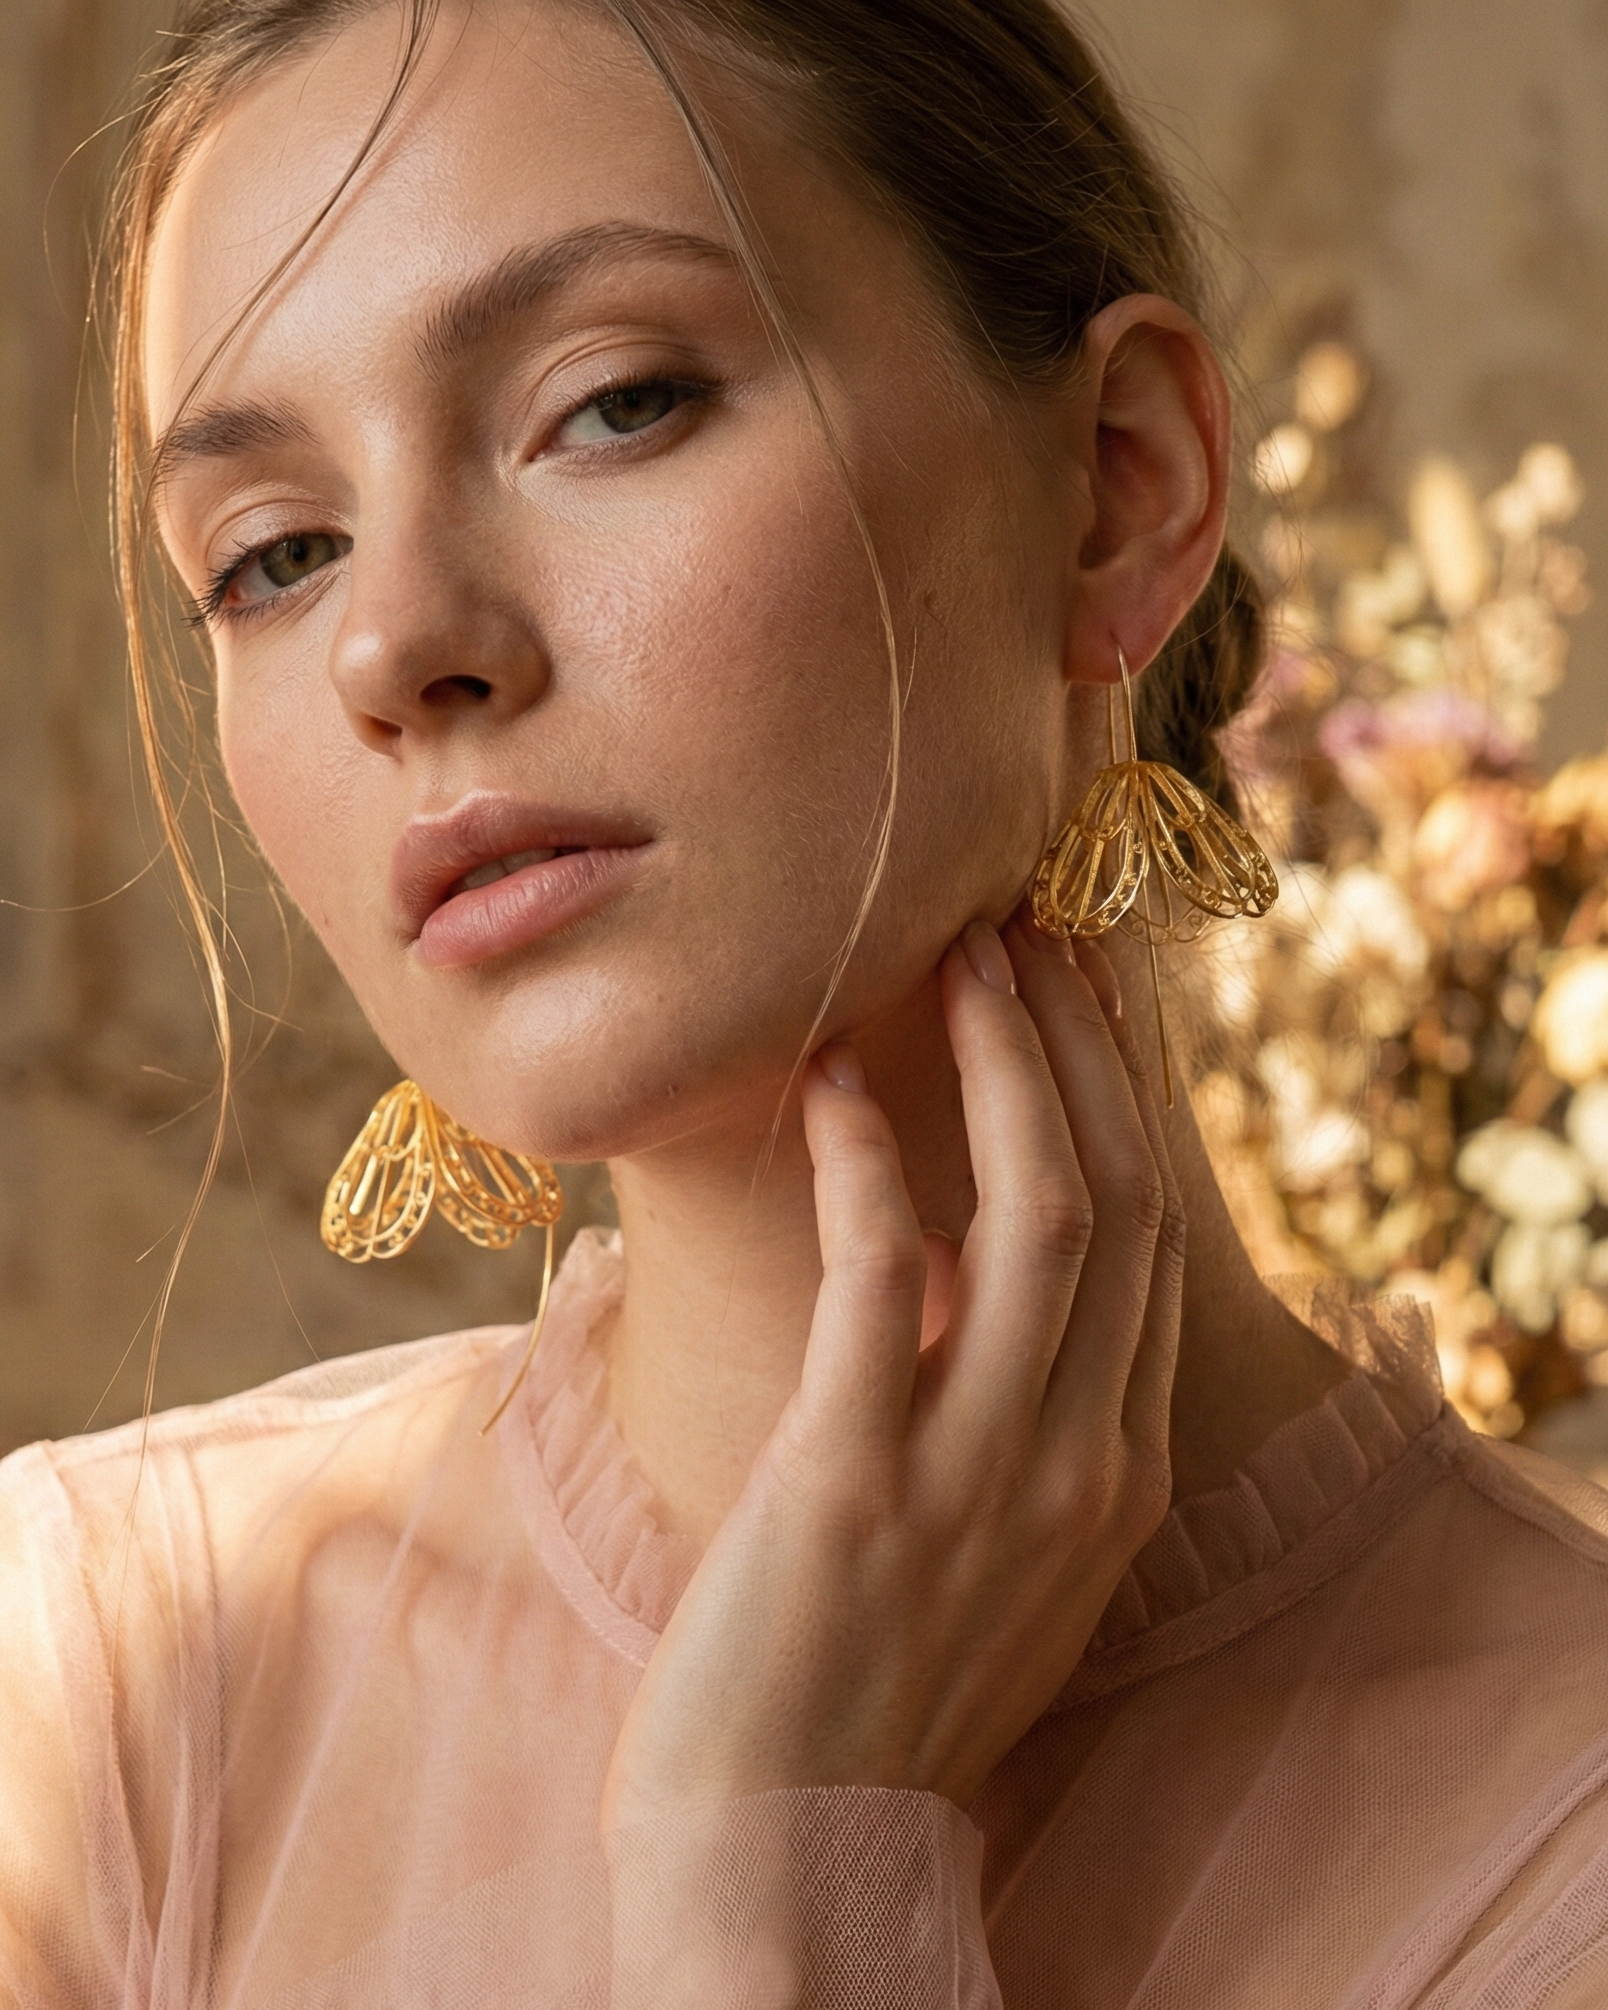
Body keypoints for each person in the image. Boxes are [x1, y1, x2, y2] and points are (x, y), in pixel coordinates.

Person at [4, 0, 1608, 2002]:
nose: (393, 645)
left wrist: (777, 1853)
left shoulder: (1560, 1832)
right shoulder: (89, 1698)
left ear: (1120, 485)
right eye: (274, 555)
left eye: (614, 403)